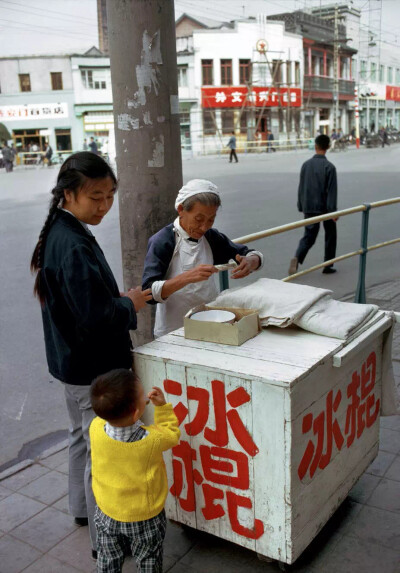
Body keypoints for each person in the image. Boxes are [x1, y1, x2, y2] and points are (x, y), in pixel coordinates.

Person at [30, 152, 152, 559]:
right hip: (91, 368)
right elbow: (97, 317)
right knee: (98, 453)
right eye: (95, 197)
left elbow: (80, 303)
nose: (104, 206)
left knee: (80, 440)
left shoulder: (61, 230)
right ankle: (106, 542)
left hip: (70, 363)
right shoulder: (72, 243)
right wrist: (129, 304)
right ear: (69, 194)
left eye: (110, 195)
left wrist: (110, 301)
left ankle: (81, 511)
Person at [142, 179, 264, 338]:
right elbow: (148, 293)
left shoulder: (211, 237)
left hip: (211, 322)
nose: (204, 227)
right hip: (173, 329)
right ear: (181, 209)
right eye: (198, 219)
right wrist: (186, 278)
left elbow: (248, 253)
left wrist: (251, 261)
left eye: (211, 220)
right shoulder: (163, 241)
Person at [90, 369, 180, 572]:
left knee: (108, 558)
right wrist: (162, 408)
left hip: (107, 511)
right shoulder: (151, 440)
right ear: (136, 412)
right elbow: (172, 434)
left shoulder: (95, 427)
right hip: (145, 517)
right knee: (148, 559)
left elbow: (108, 418)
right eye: (143, 395)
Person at [288, 134, 338, 276]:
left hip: (309, 206)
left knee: (309, 236)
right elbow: (332, 192)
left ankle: (297, 257)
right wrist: (333, 211)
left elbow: (301, 187)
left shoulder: (306, 165)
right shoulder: (330, 167)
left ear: (315, 146)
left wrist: (301, 205)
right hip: (326, 208)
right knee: (330, 235)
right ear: (328, 147)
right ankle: (328, 265)